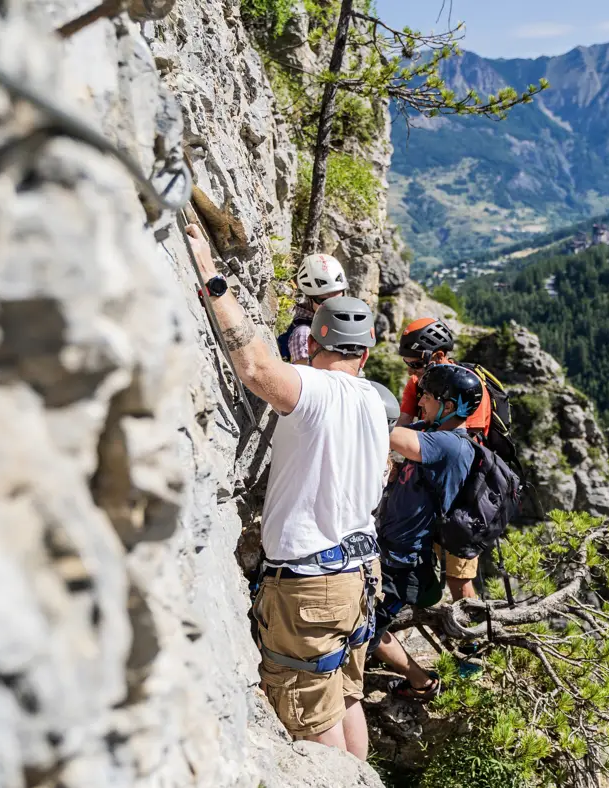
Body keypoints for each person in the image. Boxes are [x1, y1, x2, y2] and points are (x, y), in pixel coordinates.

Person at [187, 225, 386, 758]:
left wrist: (210, 273)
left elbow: (253, 366)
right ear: (365, 353)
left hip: (311, 584)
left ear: (313, 342)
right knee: (345, 697)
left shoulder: (313, 389)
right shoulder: (375, 402)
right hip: (361, 574)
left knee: (311, 726)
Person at [370, 363, 488, 700]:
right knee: (366, 621)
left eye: (428, 396)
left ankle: (421, 681)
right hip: (391, 548)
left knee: (368, 629)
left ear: (449, 407)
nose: (421, 400)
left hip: (403, 557)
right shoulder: (433, 432)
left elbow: (388, 433)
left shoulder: (451, 446)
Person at [396, 318, 490, 602]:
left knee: (458, 579)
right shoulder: (418, 384)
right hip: (426, 489)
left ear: (437, 355)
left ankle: (472, 643)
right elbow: (401, 425)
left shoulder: (467, 387)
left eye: (414, 363)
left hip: (463, 497)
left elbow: (462, 446)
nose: (411, 371)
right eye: (407, 364)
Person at [279, 253, 348, 364]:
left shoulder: (327, 323)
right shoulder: (303, 334)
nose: (333, 307)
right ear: (309, 298)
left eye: (338, 299)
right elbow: (304, 378)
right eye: (324, 300)